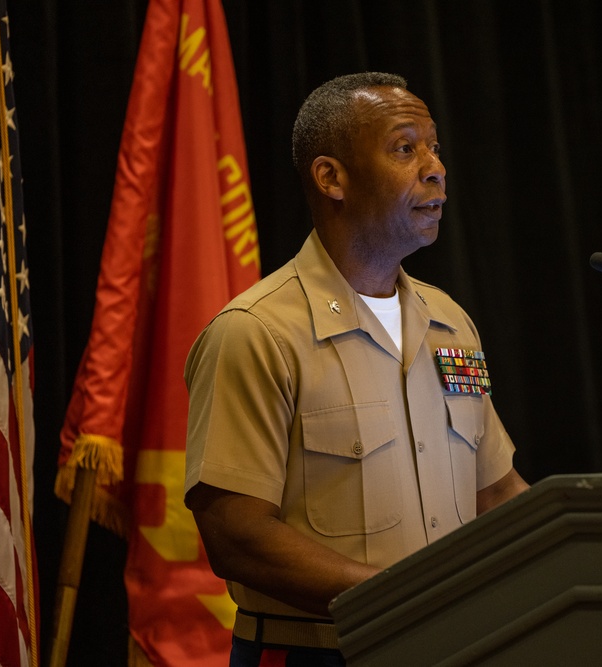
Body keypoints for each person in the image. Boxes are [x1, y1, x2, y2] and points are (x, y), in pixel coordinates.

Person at [183, 72, 529, 666]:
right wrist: (400, 599)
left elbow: (495, 491)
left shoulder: (450, 322)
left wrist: (576, 550)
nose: (435, 168)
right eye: (405, 147)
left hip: (455, 645)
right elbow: (237, 537)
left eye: (434, 147)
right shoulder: (257, 331)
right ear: (331, 177)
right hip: (317, 652)